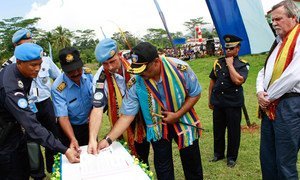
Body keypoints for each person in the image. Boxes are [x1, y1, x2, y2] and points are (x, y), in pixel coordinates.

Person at [97, 42, 204, 180]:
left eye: (144, 69)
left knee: (192, 164)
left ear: (156, 61)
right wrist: (108, 139)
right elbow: (126, 116)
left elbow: (195, 93)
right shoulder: (137, 82)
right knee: (163, 167)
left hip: (184, 121)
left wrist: (178, 114)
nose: (141, 74)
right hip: (157, 127)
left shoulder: (180, 69)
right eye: (138, 70)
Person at [0, 43, 79, 179]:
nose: (38, 69)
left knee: (25, 168)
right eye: (33, 65)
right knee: (13, 172)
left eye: (39, 64)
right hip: (4, 137)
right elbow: (31, 125)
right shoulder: (11, 88)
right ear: (19, 62)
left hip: (16, 129)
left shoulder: (21, 71)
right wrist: (64, 150)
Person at [8, 28, 62, 179]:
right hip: (25, 108)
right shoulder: (11, 66)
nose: (29, 46)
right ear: (15, 47)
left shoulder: (44, 59)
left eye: (30, 42)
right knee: (32, 141)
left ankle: (54, 166)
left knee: (53, 135)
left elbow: (58, 79)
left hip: (45, 104)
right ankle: (37, 173)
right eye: (24, 44)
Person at [87, 38, 149, 165]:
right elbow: (97, 109)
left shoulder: (135, 65)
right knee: (123, 158)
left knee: (143, 155)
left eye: (112, 61)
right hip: (119, 119)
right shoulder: (100, 78)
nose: (109, 67)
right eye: (105, 64)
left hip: (142, 119)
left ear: (119, 54)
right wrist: (93, 139)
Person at [256, 1, 299, 179]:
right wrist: (260, 92)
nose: (274, 23)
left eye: (278, 19)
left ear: (293, 18)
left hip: (289, 105)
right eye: (272, 20)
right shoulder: (279, 42)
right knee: (267, 157)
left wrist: (268, 97)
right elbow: (263, 70)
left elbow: (294, 76)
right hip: (270, 105)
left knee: (284, 161)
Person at [208, 34, 249, 168]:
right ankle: (218, 153)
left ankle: (231, 157)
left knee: (233, 131)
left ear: (238, 48)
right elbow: (212, 81)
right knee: (218, 130)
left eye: (231, 48)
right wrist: (210, 99)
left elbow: (238, 80)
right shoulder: (218, 62)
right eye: (227, 49)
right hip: (218, 102)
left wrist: (230, 65)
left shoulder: (242, 64)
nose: (228, 51)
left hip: (233, 103)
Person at [51, 47, 93, 151]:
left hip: (90, 125)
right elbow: (63, 117)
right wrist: (73, 138)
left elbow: (95, 98)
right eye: (70, 71)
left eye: (78, 69)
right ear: (63, 70)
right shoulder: (58, 88)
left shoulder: (88, 75)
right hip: (71, 128)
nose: (75, 73)